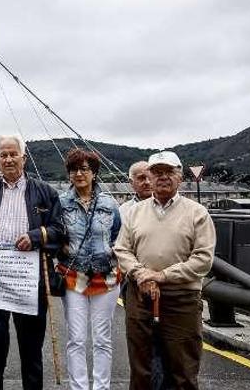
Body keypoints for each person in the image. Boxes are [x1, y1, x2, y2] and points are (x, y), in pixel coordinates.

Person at [0, 134, 65, 390]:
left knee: (31, 350)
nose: (8, 159)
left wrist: (35, 237)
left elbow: (59, 230)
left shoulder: (45, 192)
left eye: (13, 154)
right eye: (3, 155)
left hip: (29, 282)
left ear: (24, 158)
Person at [114, 151, 216, 390]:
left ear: (179, 176)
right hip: (140, 297)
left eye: (169, 172)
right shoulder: (134, 213)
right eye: (157, 172)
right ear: (149, 176)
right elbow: (122, 250)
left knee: (182, 370)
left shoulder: (197, 213)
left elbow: (203, 259)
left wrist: (162, 276)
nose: (162, 177)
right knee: (141, 369)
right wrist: (140, 274)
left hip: (181, 299)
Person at [55, 149, 122, 390]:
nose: (79, 174)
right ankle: (79, 387)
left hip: (107, 277)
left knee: (102, 339)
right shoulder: (61, 203)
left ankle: (101, 387)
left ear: (94, 173)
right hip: (75, 276)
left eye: (85, 169)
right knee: (76, 339)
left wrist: (109, 251)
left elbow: (117, 234)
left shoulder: (109, 203)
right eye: (74, 169)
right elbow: (55, 235)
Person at [118, 161, 167, 389]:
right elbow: (119, 249)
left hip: (170, 285)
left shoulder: (174, 208)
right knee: (141, 347)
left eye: (150, 176)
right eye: (140, 178)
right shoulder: (123, 212)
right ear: (131, 183)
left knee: (172, 347)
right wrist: (142, 275)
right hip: (135, 287)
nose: (146, 181)